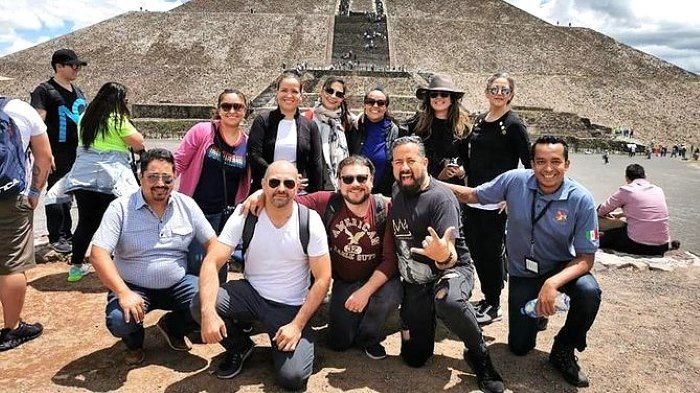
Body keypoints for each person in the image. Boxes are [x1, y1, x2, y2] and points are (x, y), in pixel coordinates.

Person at [446, 136, 602, 387]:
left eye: (555, 162)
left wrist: (552, 284)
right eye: (540, 161)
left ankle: (564, 349)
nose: (548, 169)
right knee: (519, 347)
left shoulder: (581, 199)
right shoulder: (514, 181)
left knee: (589, 291)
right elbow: (473, 196)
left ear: (567, 164)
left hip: (559, 267)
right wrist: (429, 181)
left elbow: (586, 258)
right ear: (531, 163)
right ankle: (538, 315)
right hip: (523, 273)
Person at [243, 155, 402, 359]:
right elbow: (284, 198)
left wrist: (365, 292)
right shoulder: (327, 202)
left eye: (362, 178)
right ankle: (353, 319)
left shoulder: (384, 209)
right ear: (338, 182)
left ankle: (368, 338)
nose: (355, 184)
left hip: (377, 279)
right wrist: (261, 194)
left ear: (372, 180)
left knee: (390, 294)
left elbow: (390, 260)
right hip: (346, 280)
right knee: (338, 342)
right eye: (348, 179)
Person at [191, 160, 331, 391]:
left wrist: (296, 325)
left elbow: (323, 277)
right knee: (201, 302)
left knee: (293, 378)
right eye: (274, 182)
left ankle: (297, 344)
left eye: (288, 183)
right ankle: (239, 346)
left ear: (297, 187)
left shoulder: (309, 220)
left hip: (290, 307)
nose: (281, 188)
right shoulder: (247, 213)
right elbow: (212, 260)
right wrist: (208, 312)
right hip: (251, 293)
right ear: (263, 184)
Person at [389, 136, 505, 393]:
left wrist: (442, 255)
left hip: (453, 269)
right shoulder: (398, 189)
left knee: (448, 300)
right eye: (398, 162)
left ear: (426, 162)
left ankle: (479, 354)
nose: (405, 167)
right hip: (416, 280)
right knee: (414, 358)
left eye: (411, 160)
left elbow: (450, 253)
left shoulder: (441, 198)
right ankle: (425, 315)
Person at [89, 149, 216, 365]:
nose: (160, 184)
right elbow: (98, 254)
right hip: (133, 286)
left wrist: (210, 273)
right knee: (120, 320)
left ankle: (173, 326)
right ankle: (134, 341)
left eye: (167, 178)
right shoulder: (120, 208)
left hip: (177, 283)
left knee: (210, 301)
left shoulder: (186, 205)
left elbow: (213, 244)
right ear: (141, 178)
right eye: (153, 177)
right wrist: (123, 292)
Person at [460, 72, 531, 325]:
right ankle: (488, 296)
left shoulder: (513, 125)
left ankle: (494, 304)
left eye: (504, 90)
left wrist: (512, 197)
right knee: (476, 249)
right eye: (495, 88)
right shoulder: (480, 121)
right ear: (486, 91)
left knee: (490, 251)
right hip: (475, 196)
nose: (499, 93)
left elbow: (530, 164)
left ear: (511, 94)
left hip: (497, 201)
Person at [59, 82, 145, 283]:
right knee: (118, 221)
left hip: (83, 177)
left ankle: (76, 268)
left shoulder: (84, 118)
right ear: (118, 101)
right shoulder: (117, 120)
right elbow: (138, 142)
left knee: (86, 223)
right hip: (111, 178)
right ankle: (116, 266)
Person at [175, 89, 251, 281]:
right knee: (197, 264)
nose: (232, 111)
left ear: (245, 110)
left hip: (227, 215)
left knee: (219, 263)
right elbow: (178, 163)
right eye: (226, 106)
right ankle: (194, 307)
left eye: (237, 106)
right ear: (218, 109)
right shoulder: (202, 132)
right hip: (198, 212)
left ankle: (216, 304)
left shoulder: (247, 144)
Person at [0, 97, 52, 351]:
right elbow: (44, 156)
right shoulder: (18, 109)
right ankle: (12, 328)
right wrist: (34, 193)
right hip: (10, 197)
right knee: (12, 263)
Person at [30, 48, 88, 254]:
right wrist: (43, 153)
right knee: (56, 193)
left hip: (79, 151)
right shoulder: (44, 91)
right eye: (73, 65)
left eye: (79, 65)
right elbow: (37, 124)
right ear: (59, 66)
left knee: (71, 193)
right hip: (56, 151)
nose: (77, 69)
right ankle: (57, 236)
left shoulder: (78, 91)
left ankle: (68, 233)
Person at [248, 72, 323, 194]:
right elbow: (254, 155)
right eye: (284, 90)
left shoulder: (310, 126)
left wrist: (316, 195)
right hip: (267, 190)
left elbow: (316, 165)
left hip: (300, 193)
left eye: (294, 91)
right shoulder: (263, 121)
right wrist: (281, 176)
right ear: (276, 93)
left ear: (301, 96)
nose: (289, 95)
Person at [597, 164, 679, 256]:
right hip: (662, 246)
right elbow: (646, 211)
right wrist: (620, 214)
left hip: (639, 245)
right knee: (627, 226)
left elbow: (601, 211)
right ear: (645, 176)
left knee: (598, 236)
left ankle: (586, 236)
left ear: (627, 178)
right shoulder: (658, 190)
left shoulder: (627, 191)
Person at [406, 73, 470, 184]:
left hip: (452, 187)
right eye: (434, 94)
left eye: (444, 94)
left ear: (451, 99)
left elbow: (467, 159)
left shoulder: (462, 127)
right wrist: (438, 175)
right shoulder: (417, 123)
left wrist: (460, 171)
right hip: (424, 184)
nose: (438, 98)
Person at [347, 86, 405, 196]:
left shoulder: (396, 132)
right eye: (370, 102)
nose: (375, 106)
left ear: (386, 107)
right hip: (355, 191)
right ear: (364, 104)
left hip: (384, 194)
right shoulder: (353, 128)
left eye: (380, 103)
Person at [303, 76, 353, 191]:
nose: (333, 96)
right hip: (310, 188)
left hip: (338, 189)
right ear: (321, 91)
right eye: (329, 91)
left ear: (342, 99)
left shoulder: (346, 122)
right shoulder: (306, 119)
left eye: (339, 94)